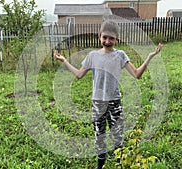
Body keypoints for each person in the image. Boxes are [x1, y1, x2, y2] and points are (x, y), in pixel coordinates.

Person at [54, 20, 163, 169]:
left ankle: (120, 163)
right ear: (99, 36)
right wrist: (64, 60)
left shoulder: (120, 55)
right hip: (97, 103)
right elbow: (79, 75)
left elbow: (137, 74)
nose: (107, 41)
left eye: (111, 38)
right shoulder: (92, 56)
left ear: (116, 39)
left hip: (114, 102)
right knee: (99, 135)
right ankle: (100, 164)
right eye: (104, 37)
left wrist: (150, 57)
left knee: (117, 135)